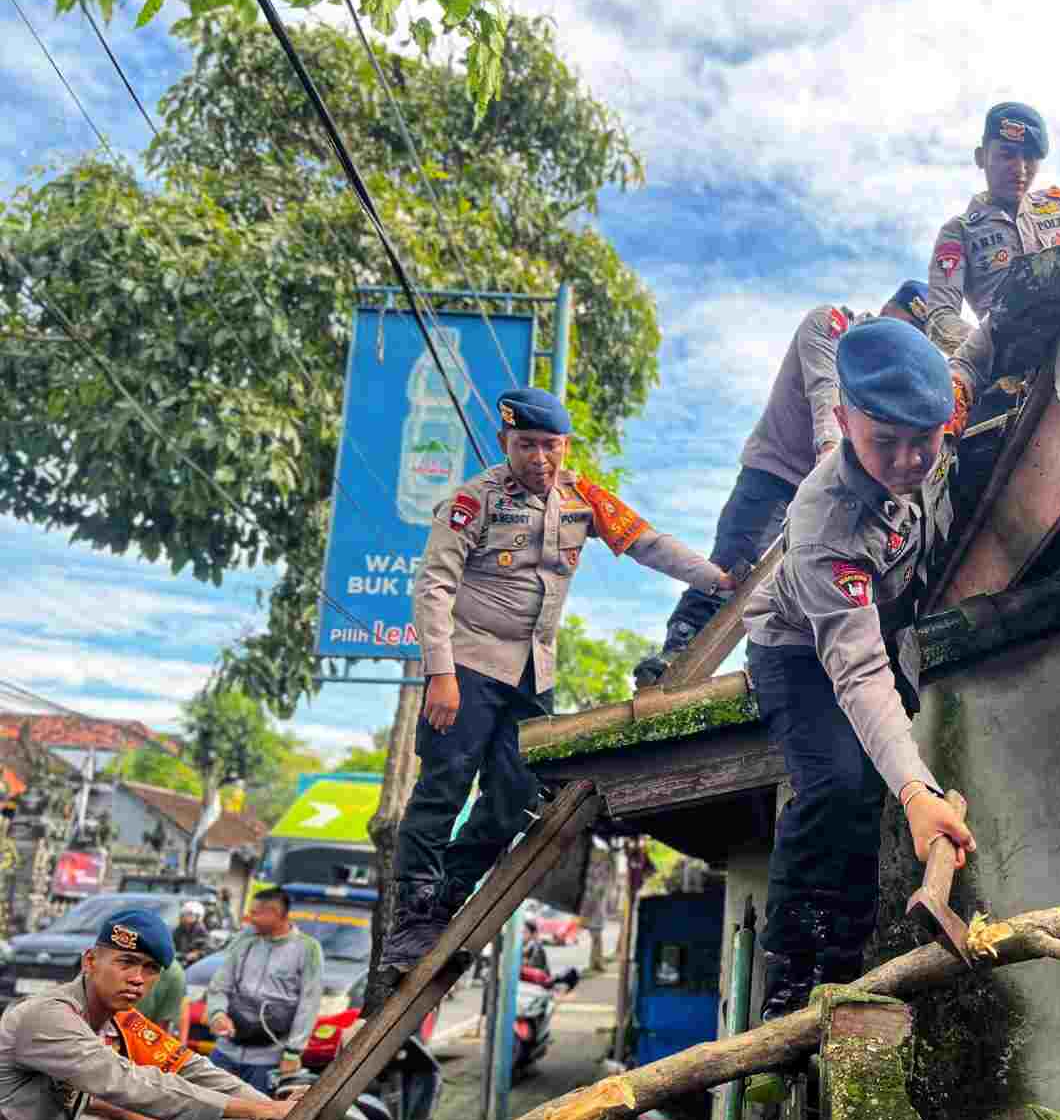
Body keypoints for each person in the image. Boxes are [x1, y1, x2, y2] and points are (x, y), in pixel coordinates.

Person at [375, 387, 736, 1006]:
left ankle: (448, 892)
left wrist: (717, 579)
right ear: (504, 444)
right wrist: (439, 673)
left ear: (565, 446)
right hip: (465, 665)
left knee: (517, 793)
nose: (540, 458)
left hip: (532, 674)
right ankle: (411, 920)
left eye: (551, 445)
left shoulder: (581, 498)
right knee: (443, 788)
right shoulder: (472, 503)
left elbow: (647, 542)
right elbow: (433, 586)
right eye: (527, 445)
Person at [741, 318, 979, 1021]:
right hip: (800, 652)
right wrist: (918, 792)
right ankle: (790, 974)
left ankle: (843, 960)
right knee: (837, 783)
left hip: (879, 630)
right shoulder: (826, 521)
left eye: (924, 441)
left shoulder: (940, 414)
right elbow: (858, 672)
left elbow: (983, 345)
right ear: (843, 420)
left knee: (869, 792)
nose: (909, 460)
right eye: (885, 442)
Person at [632, 283, 935, 687]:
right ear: (888, 309)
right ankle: (677, 654)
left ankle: (792, 664)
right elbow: (826, 391)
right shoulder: (831, 326)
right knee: (733, 565)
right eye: (906, 326)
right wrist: (831, 453)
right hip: (777, 474)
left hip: (846, 483)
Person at [0, 908, 296, 1120]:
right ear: (90, 961)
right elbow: (131, 1083)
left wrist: (280, 1110)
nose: (137, 979)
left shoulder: (121, 1022)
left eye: (151, 968)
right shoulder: (48, 1017)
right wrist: (260, 1109)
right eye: (126, 962)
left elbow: (187, 1067)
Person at [925, 102, 1060, 357]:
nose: (1020, 169)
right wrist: (994, 353)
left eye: (1030, 158)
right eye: (1007, 155)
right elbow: (939, 319)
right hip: (1013, 378)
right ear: (981, 157)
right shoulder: (958, 232)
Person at [176, 887, 323, 1120]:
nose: (250, 917)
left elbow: (309, 1003)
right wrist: (217, 1013)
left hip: (267, 1057)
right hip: (226, 1052)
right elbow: (220, 984)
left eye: (257, 912)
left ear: (277, 914)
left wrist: (294, 1051)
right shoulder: (244, 940)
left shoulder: (307, 949)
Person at [92, 955, 188, 1120]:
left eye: (151, 969)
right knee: (116, 1108)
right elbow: (83, 1090)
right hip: (97, 1038)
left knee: (122, 1116)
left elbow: (162, 1028)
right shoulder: (106, 965)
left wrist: (153, 1066)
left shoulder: (173, 975)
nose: (138, 979)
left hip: (137, 1039)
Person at [172, 900, 209, 965]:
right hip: (180, 961)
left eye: (190, 914)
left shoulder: (201, 930)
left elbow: (206, 948)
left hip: (196, 964)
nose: (187, 916)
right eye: (185, 914)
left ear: (197, 916)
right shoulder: (178, 930)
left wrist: (197, 954)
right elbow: (172, 946)